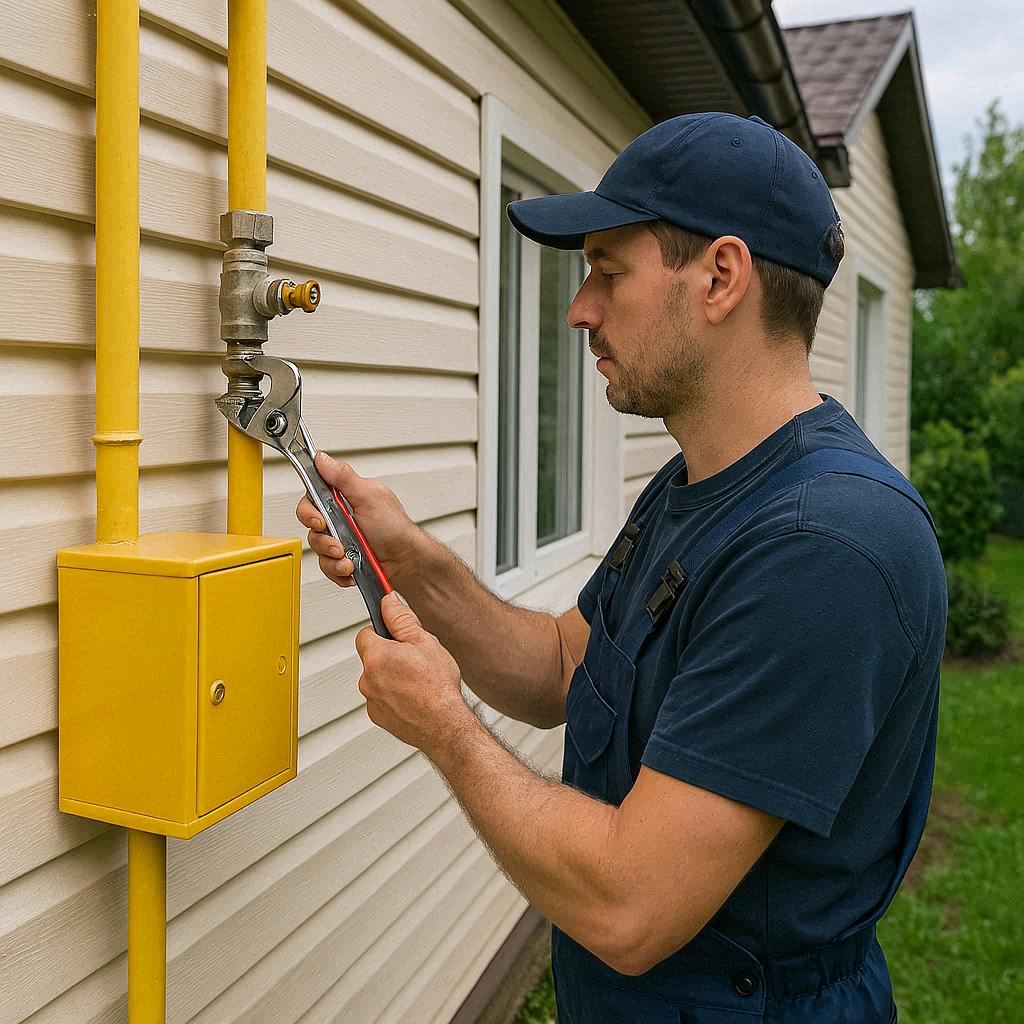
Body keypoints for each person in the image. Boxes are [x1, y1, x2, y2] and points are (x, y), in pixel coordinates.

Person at [296, 112, 946, 1023]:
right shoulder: (699, 483)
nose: (578, 310)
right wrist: (412, 562)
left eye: (608, 272)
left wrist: (444, 723)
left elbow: (629, 904)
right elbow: (568, 667)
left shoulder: (825, 546)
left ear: (721, 277)